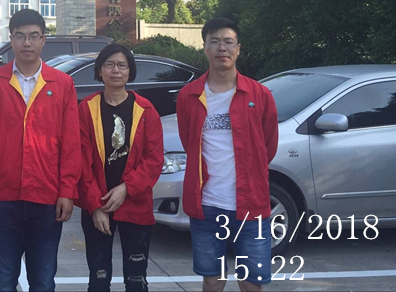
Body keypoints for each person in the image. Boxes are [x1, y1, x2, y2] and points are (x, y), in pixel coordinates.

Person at [0, 9, 81, 292]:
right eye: (20, 36)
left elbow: (71, 143)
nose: (27, 43)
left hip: (46, 197)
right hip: (2, 198)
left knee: (43, 281)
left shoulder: (62, 84)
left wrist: (67, 191)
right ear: (11, 40)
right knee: (2, 282)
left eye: (34, 36)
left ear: (44, 40)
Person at [177, 18, 278, 292]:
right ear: (205, 48)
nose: (222, 48)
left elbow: (268, 146)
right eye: (214, 41)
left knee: (251, 283)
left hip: (251, 204)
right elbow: (189, 142)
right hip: (207, 204)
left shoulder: (259, 94)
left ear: (238, 48)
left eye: (228, 42)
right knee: (212, 280)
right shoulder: (188, 95)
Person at [77, 44, 163, 292]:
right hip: (98, 205)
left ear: (130, 71)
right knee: (99, 278)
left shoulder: (145, 110)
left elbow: (154, 159)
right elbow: (81, 161)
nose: (116, 70)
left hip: (135, 204)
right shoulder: (87, 109)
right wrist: (95, 206)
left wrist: (127, 188)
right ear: (100, 70)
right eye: (109, 65)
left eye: (122, 65)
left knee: (136, 280)